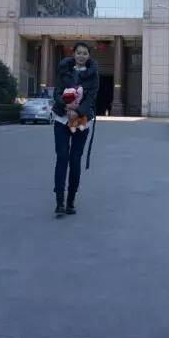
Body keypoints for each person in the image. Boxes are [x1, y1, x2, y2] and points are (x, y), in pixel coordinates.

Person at [52, 42, 99, 216]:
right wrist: (66, 108)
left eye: (85, 53)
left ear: (88, 56)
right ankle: (59, 202)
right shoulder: (64, 70)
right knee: (62, 157)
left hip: (81, 119)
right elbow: (57, 92)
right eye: (79, 52)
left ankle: (70, 201)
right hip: (61, 118)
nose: (81, 56)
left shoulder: (93, 75)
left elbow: (91, 98)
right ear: (74, 54)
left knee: (75, 159)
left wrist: (77, 112)